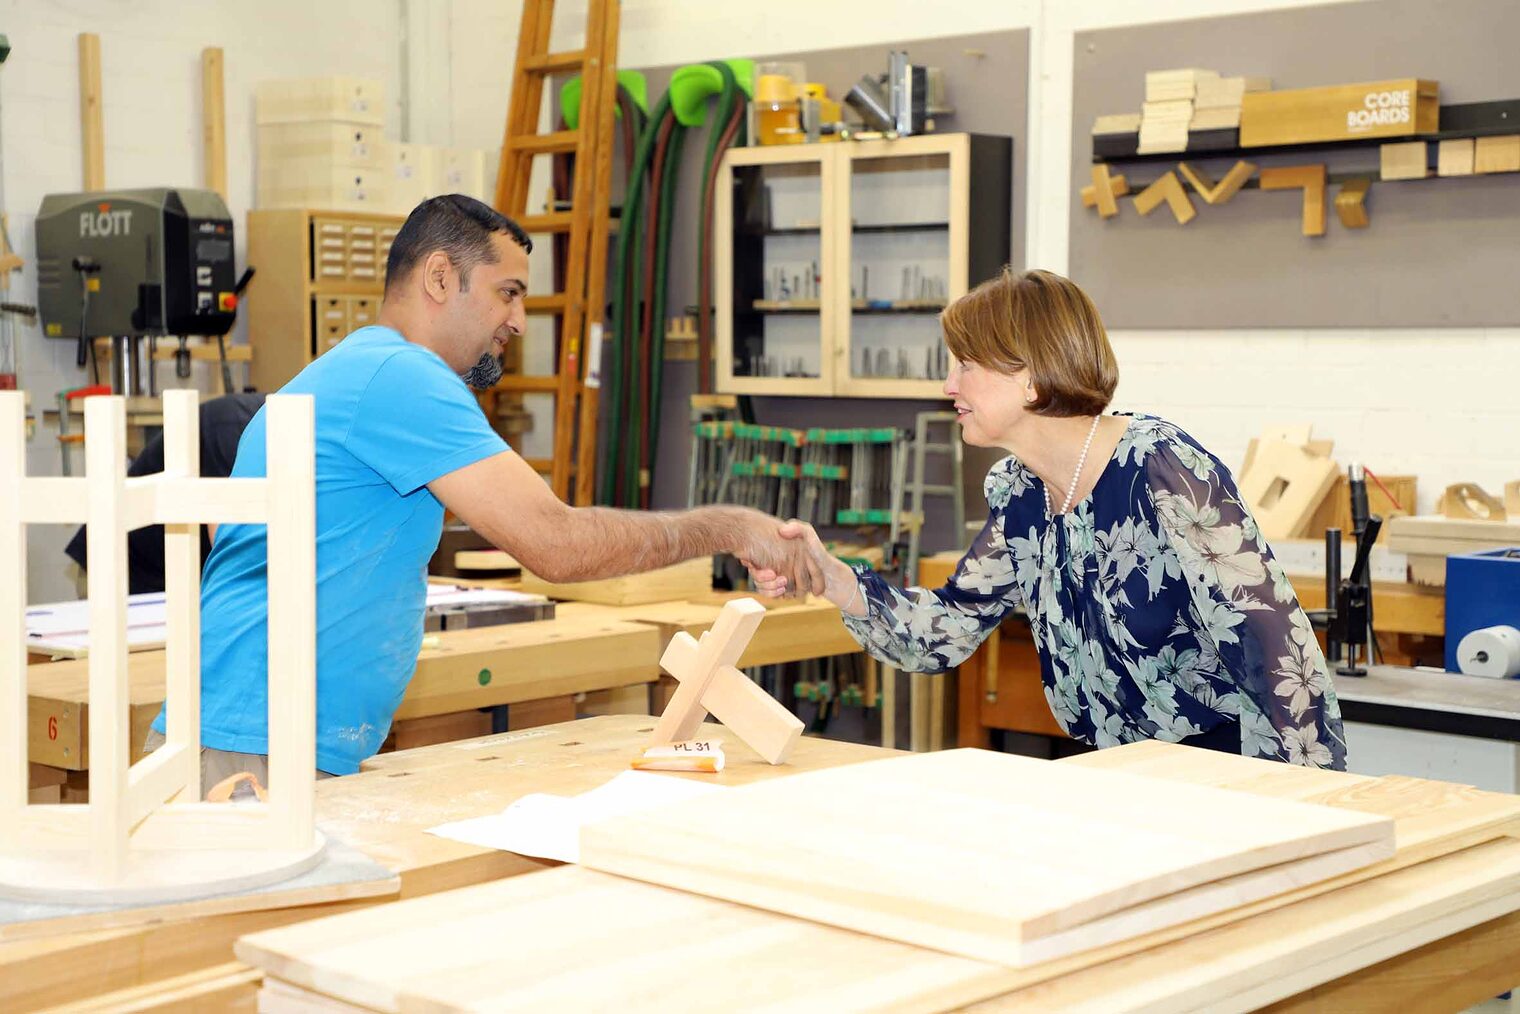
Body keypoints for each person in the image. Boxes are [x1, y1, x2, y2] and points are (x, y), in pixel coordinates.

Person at [147, 194, 820, 786]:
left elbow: (227, 537)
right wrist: (728, 527)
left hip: (246, 730)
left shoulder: (345, 371)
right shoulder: (403, 377)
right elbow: (556, 547)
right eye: (508, 292)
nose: (520, 319)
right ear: (441, 276)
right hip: (255, 747)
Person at [751, 267, 1347, 770]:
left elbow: (1281, 657)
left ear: (1030, 376)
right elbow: (948, 629)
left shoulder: (1160, 467)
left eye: (965, 365)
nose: (948, 384)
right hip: (1116, 775)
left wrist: (1320, 811)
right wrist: (833, 578)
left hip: (1229, 776)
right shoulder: (1020, 493)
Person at [64, 392, 266, 594]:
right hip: (122, 576)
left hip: (178, 583)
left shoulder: (262, 430)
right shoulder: (233, 426)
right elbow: (228, 546)